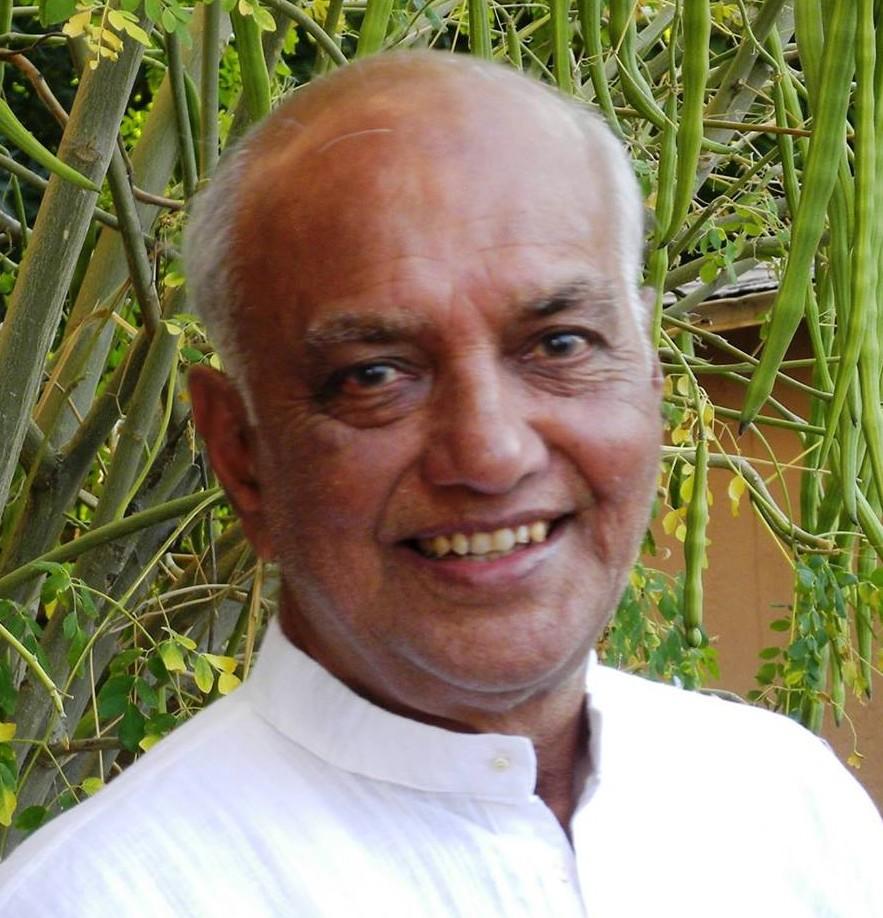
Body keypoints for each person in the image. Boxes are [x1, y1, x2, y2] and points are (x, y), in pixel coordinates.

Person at [0, 50, 881, 918]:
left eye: (560, 344)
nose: (490, 454)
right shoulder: (97, 899)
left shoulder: (790, 809)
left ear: (650, 375)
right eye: (375, 374)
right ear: (242, 456)